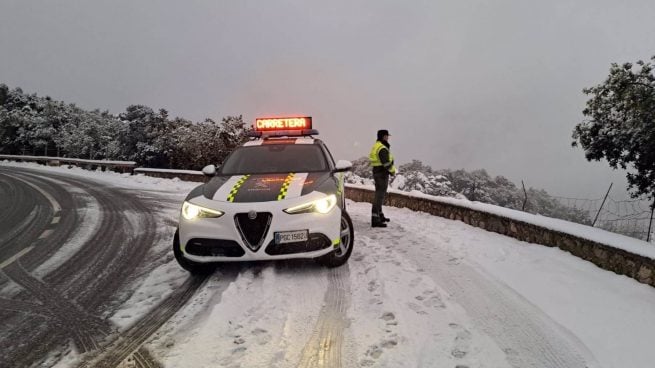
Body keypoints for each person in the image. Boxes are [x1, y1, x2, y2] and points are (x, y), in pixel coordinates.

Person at [369, 129, 397, 228]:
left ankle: (380, 215)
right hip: (381, 173)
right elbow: (386, 163)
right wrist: (392, 171)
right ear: (382, 136)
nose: (388, 137)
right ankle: (375, 219)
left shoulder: (377, 146)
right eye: (386, 136)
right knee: (379, 196)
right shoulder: (382, 148)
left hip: (378, 172)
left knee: (379, 194)